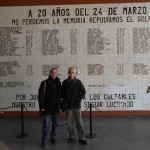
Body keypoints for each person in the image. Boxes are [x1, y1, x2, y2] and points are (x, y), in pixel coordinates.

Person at [62, 67, 87, 144]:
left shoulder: (78, 82)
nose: (71, 74)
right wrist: (64, 100)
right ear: (68, 73)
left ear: (75, 73)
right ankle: (72, 136)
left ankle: (82, 138)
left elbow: (83, 91)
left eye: (73, 72)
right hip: (69, 106)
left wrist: (79, 99)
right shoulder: (64, 83)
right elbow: (62, 93)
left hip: (77, 106)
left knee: (79, 122)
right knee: (70, 123)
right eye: (70, 72)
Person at [38, 68, 61, 148]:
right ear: (50, 73)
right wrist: (42, 107)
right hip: (46, 108)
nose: (54, 74)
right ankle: (44, 140)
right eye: (52, 72)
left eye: (55, 72)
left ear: (57, 74)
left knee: (55, 124)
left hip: (55, 108)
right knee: (46, 126)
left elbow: (60, 95)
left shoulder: (59, 83)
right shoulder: (44, 83)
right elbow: (40, 96)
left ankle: (53, 137)